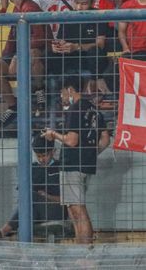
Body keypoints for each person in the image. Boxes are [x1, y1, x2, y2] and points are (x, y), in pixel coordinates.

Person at [42, 77, 110, 244]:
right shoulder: (93, 110)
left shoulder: (74, 109)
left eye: (62, 93)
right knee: (73, 207)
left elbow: (72, 140)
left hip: (72, 164)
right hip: (86, 164)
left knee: (78, 209)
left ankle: (85, 249)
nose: (61, 97)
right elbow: (105, 139)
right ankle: (81, 246)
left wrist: (53, 134)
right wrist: (91, 153)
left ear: (70, 90)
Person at [0, 0, 46, 127]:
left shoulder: (31, 8)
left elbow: (40, 39)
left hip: (40, 57)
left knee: (33, 53)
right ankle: (13, 106)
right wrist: (6, 56)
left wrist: (18, 55)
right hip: (20, 56)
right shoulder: (17, 8)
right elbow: (12, 37)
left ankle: (40, 89)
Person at [0, 134, 65, 238]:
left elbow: (68, 199)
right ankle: (12, 230)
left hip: (57, 210)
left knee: (30, 196)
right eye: (38, 156)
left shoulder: (61, 167)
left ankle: (7, 228)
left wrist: (46, 196)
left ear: (53, 151)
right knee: (29, 201)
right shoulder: (32, 168)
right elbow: (22, 194)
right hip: (36, 211)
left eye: (44, 155)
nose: (41, 159)